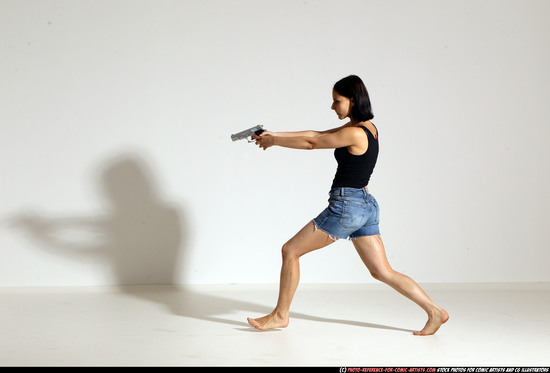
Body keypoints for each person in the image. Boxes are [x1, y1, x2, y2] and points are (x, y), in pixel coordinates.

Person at [247, 75, 449, 335]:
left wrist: (275, 141)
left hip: (348, 206)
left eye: (337, 101)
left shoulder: (354, 133)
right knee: (382, 271)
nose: (333, 107)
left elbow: (312, 143)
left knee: (290, 251)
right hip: (366, 205)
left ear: (352, 100)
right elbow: (315, 134)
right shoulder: (368, 128)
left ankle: (280, 315)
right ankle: (435, 311)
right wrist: (274, 136)